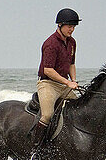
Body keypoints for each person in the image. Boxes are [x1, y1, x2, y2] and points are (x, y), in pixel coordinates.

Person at [34, 8, 81, 146]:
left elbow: (72, 63)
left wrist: (73, 80)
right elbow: (48, 70)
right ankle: (36, 149)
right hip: (48, 84)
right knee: (47, 115)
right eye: (69, 26)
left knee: (78, 110)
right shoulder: (51, 44)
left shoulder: (72, 42)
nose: (72, 29)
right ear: (60, 25)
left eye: (73, 27)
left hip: (64, 84)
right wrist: (67, 82)